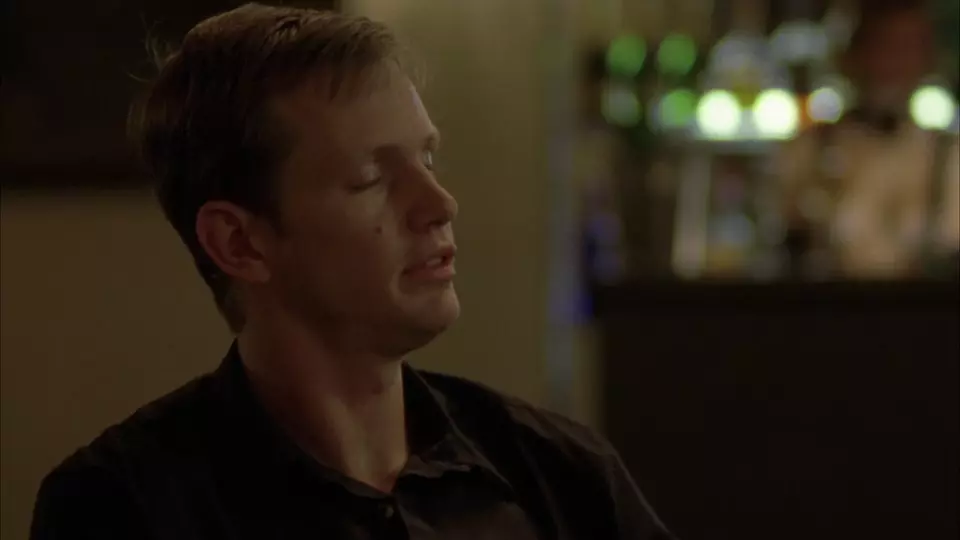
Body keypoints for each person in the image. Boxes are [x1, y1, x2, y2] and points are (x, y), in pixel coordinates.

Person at [29, 4, 675, 539]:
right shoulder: (122, 508)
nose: (439, 204)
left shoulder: (559, 475)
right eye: (371, 177)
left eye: (428, 159)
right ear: (240, 243)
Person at [778, 0, 959, 279]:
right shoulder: (806, 151)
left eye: (906, 50)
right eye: (881, 46)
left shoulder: (949, 158)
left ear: (926, 61)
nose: (891, 64)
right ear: (850, 57)